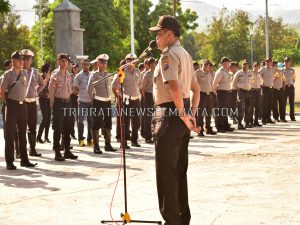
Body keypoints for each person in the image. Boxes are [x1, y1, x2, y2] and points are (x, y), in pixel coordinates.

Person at [149, 15, 200, 225]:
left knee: (166, 174)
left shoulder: (168, 55)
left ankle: (171, 221)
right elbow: (196, 89)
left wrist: (181, 113)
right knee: (179, 172)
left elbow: (175, 87)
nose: (157, 38)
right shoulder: (186, 54)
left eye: (159, 34)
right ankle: (182, 219)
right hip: (182, 113)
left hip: (170, 115)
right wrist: (191, 113)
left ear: (170, 35)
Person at [0, 51, 37, 169]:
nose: (22, 62)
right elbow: (2, 92)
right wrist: (9, 103)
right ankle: (9, 162)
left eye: (22, 60)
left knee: (22, 133)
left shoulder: (24, 73)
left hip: (23, 105)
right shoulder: (7, 75)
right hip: (12, 105)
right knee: (10, 134)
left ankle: (24, 160)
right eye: (19, 60)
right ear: (13, 61)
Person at [49, 53, 78, 161]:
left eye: (66, 61)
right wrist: (52, 106)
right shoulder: (55, 75)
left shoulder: (69, 75)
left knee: (68, 127)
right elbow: (51, 92)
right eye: (62, 60)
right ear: (58, 62)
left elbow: (70, 90)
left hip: (68, 103)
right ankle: (57, 152)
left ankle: (67, 151)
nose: (65, 62)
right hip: (59, 103)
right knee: (58, 128)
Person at [87, 54, 117, 153]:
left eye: (105, 63)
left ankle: (107, 145)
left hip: (107, 102)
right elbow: (89, 90)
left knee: (108, 123)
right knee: (97, 123)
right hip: (98, 102)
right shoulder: (94, 75)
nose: (104, 65)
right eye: (102, 63)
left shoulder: (108, 75)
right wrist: (93, 101)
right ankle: (96, 147)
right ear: (98, 64)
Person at [21, 49, 48, 157]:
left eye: (28, 59)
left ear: (31, 60)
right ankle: (19, 151)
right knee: (21, 127)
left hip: (32, 103)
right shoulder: (18, 71)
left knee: (32, 126)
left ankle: (32, 149)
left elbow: (42, 84)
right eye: (24, 59)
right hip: (22, 103)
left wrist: (36, 91)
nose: (26, 61)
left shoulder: (35, 72)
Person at [112, 53, 142, 148]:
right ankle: (123, 142)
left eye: (133, 60)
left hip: (136, 99)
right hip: (126, 100)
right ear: (126, 61)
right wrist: (120, 95)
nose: (132, 62)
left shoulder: (137, 71)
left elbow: (139, 84)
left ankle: (134, 140)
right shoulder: (122, 71)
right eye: (129, 60)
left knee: (137, 121)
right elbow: (114, 85)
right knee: (125, 122)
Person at [73, 59, 93, 147]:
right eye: (84, 65)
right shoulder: (78, 76)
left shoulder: (92, 75)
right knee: (80, 121)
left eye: (87, 65)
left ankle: (89, 139)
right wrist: (80, 92)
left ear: (89, 66)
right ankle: (80, 139)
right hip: (82, 102)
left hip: (91, 102)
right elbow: (74, 87)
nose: (86, 66)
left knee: (91, 121)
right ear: (82, 65)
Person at [194, 60, 217, 136]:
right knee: (200, 113)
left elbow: (210, 84)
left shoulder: (210, 73)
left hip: (209, 94)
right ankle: (200, 130)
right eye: (205, 64)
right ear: (202, 65)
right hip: (201, 94)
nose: (207, 66)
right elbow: (194, 84)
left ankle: (208, 128)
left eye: (208, 65)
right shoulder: (198, 73)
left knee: (209, 112)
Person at [212, 57, 235, 133]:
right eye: (228, 62)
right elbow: (215, 83)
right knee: (220, 110)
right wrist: (215, 92)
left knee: (225, 110)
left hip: (226, 93)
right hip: (221, 93)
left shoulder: (226, 71)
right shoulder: (220, 71)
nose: (229, 64)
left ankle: (225, 125)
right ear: (224, 63)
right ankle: (220, 127)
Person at [232, 60, 252, 129]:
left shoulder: (250, 72)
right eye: (244, 64)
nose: (245, 65)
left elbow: (252, 81)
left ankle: (247, 122)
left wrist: (250, 87)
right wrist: (235, 89)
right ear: (242, 65)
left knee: (248, 108)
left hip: (248, 91)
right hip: (241, 92)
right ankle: (239, 123)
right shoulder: (238, 73)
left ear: (248, 65)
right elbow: (234, 82)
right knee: (240, 107)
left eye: (246, 64)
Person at [141, 57, 156, 143]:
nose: (155, 64)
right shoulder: (147, 74)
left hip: (156, 96)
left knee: (155, 117)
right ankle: (148, 137)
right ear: (150, 65)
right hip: (148, 96)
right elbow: (143, 88)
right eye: (153, 63)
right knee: (148, 117)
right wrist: (146, 98)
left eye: (155, 63)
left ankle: (155, 135)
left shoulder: (158, 73)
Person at [37, 63, 52, 143]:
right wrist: (46, 78)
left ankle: (46, 137)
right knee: (45, 118)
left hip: (49, 99)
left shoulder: (50, 76)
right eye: (49, 68)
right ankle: (38, 137)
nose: (50, 69)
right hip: (42, 99)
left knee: (48, 119)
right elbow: (41, 87)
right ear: (46, 68)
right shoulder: (41, 76)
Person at [259, 57, 275, 125]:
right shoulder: (262, 69)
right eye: (267, 61)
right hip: (265, 88)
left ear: (271, 62)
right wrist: (261, 82)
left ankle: (268, 118)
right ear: (265, 62)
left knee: (270, 104)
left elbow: (275, 76)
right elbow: (258, 75)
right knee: (264, 104)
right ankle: (263, 119)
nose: (268, 63)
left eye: (269, 62)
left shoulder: (273, 69)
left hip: (271, 88)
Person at [283, 57, 296, 121]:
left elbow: (294, 79)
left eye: (287, 61)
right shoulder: (282, 70)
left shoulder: (292, 70)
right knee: (283, 102)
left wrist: (290, 83)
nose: (286, 62)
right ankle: (283, 117)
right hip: (284, 87)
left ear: (290, 62)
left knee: (291, 103)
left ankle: (292, 117)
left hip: (291, 87)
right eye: (285, 61)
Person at [249, 62, 262, 126]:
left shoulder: (259, 73)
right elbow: (249, 82)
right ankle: (251, 121)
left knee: (257, 107)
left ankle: (256, 121)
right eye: (255, 66)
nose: (256, 67)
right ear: (253, 66)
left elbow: (260, 82)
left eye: (257, 66)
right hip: (252, 90)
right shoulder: (250, 73)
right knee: (251, 106)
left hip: (258, 90)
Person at [70, 62, 79, 140]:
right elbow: (70, 87)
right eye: (74, 68)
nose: (75, 69)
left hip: (79, 98)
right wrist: (75, 91)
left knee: (80, 117)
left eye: (76, 67)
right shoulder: (70, 76)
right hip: (72, 97)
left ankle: (80, 135)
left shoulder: (80, 76)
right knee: (72, 117)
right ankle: (72, 133)